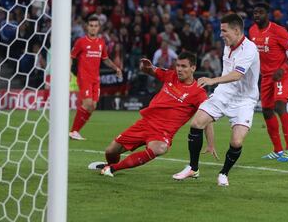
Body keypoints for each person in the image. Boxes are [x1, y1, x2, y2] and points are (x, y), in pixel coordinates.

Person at [88, 52, 216, 177]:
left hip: (162, 133)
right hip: (144, 124)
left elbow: (205, 118)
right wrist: (145, 67)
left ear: (193, 68)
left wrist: (210, 144)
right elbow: (149, 70)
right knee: (111, 151)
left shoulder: (198, 93)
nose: (179, 69)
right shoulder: (170, 75)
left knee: (160, 148)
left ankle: (113, 168)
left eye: (184, 66)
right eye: (178, 65)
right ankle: (108, 165)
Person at [173, 13, 260, 186]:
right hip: (224, 93)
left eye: (224, 31)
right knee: (196, 123)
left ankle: (224, 173)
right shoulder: (228, 45)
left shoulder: (249, 49)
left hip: (245, 100)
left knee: (236, 141)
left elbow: (237, 75)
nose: (221, 35)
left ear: (236, 30)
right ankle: (193, 168)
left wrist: (212, 80)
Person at [249, 2, 288, 162]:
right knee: (267, 111)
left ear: (267, 14)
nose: (257, 15)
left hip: (281, 74)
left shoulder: (278, 30)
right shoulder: (252, 30)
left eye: (260, 12)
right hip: (266, 76)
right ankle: (277, 150)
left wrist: (282, 69)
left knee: (279, 106)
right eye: (255, 12)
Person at [69, 15, 122, 140]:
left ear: (99, 28)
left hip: (95, 79)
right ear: (87, 27)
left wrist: (116, 68)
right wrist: (67, 71)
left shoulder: (101, 42)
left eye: (95, 26)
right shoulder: (81, 42)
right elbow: (71, 56)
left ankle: (75, 131)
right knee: (87, 103)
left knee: (93, 106)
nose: (93, 28)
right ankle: (73, 131)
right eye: (91, 26)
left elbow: (105, 59)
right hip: (84, 77)